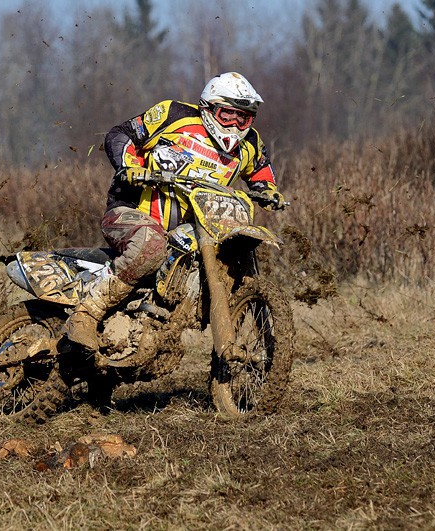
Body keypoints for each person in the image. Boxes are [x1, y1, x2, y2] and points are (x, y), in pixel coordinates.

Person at [65, 72, 286, 350]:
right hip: (131, 211)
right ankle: (85, 314)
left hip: (195, 228)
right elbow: (121, 134)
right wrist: (129, 166)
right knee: (151, 244)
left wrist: (268, 190)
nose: (235, 125)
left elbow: (260, 169)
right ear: (209, 108)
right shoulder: (174, 114)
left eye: (243, 118)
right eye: (228, 115)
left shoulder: (250, 142)